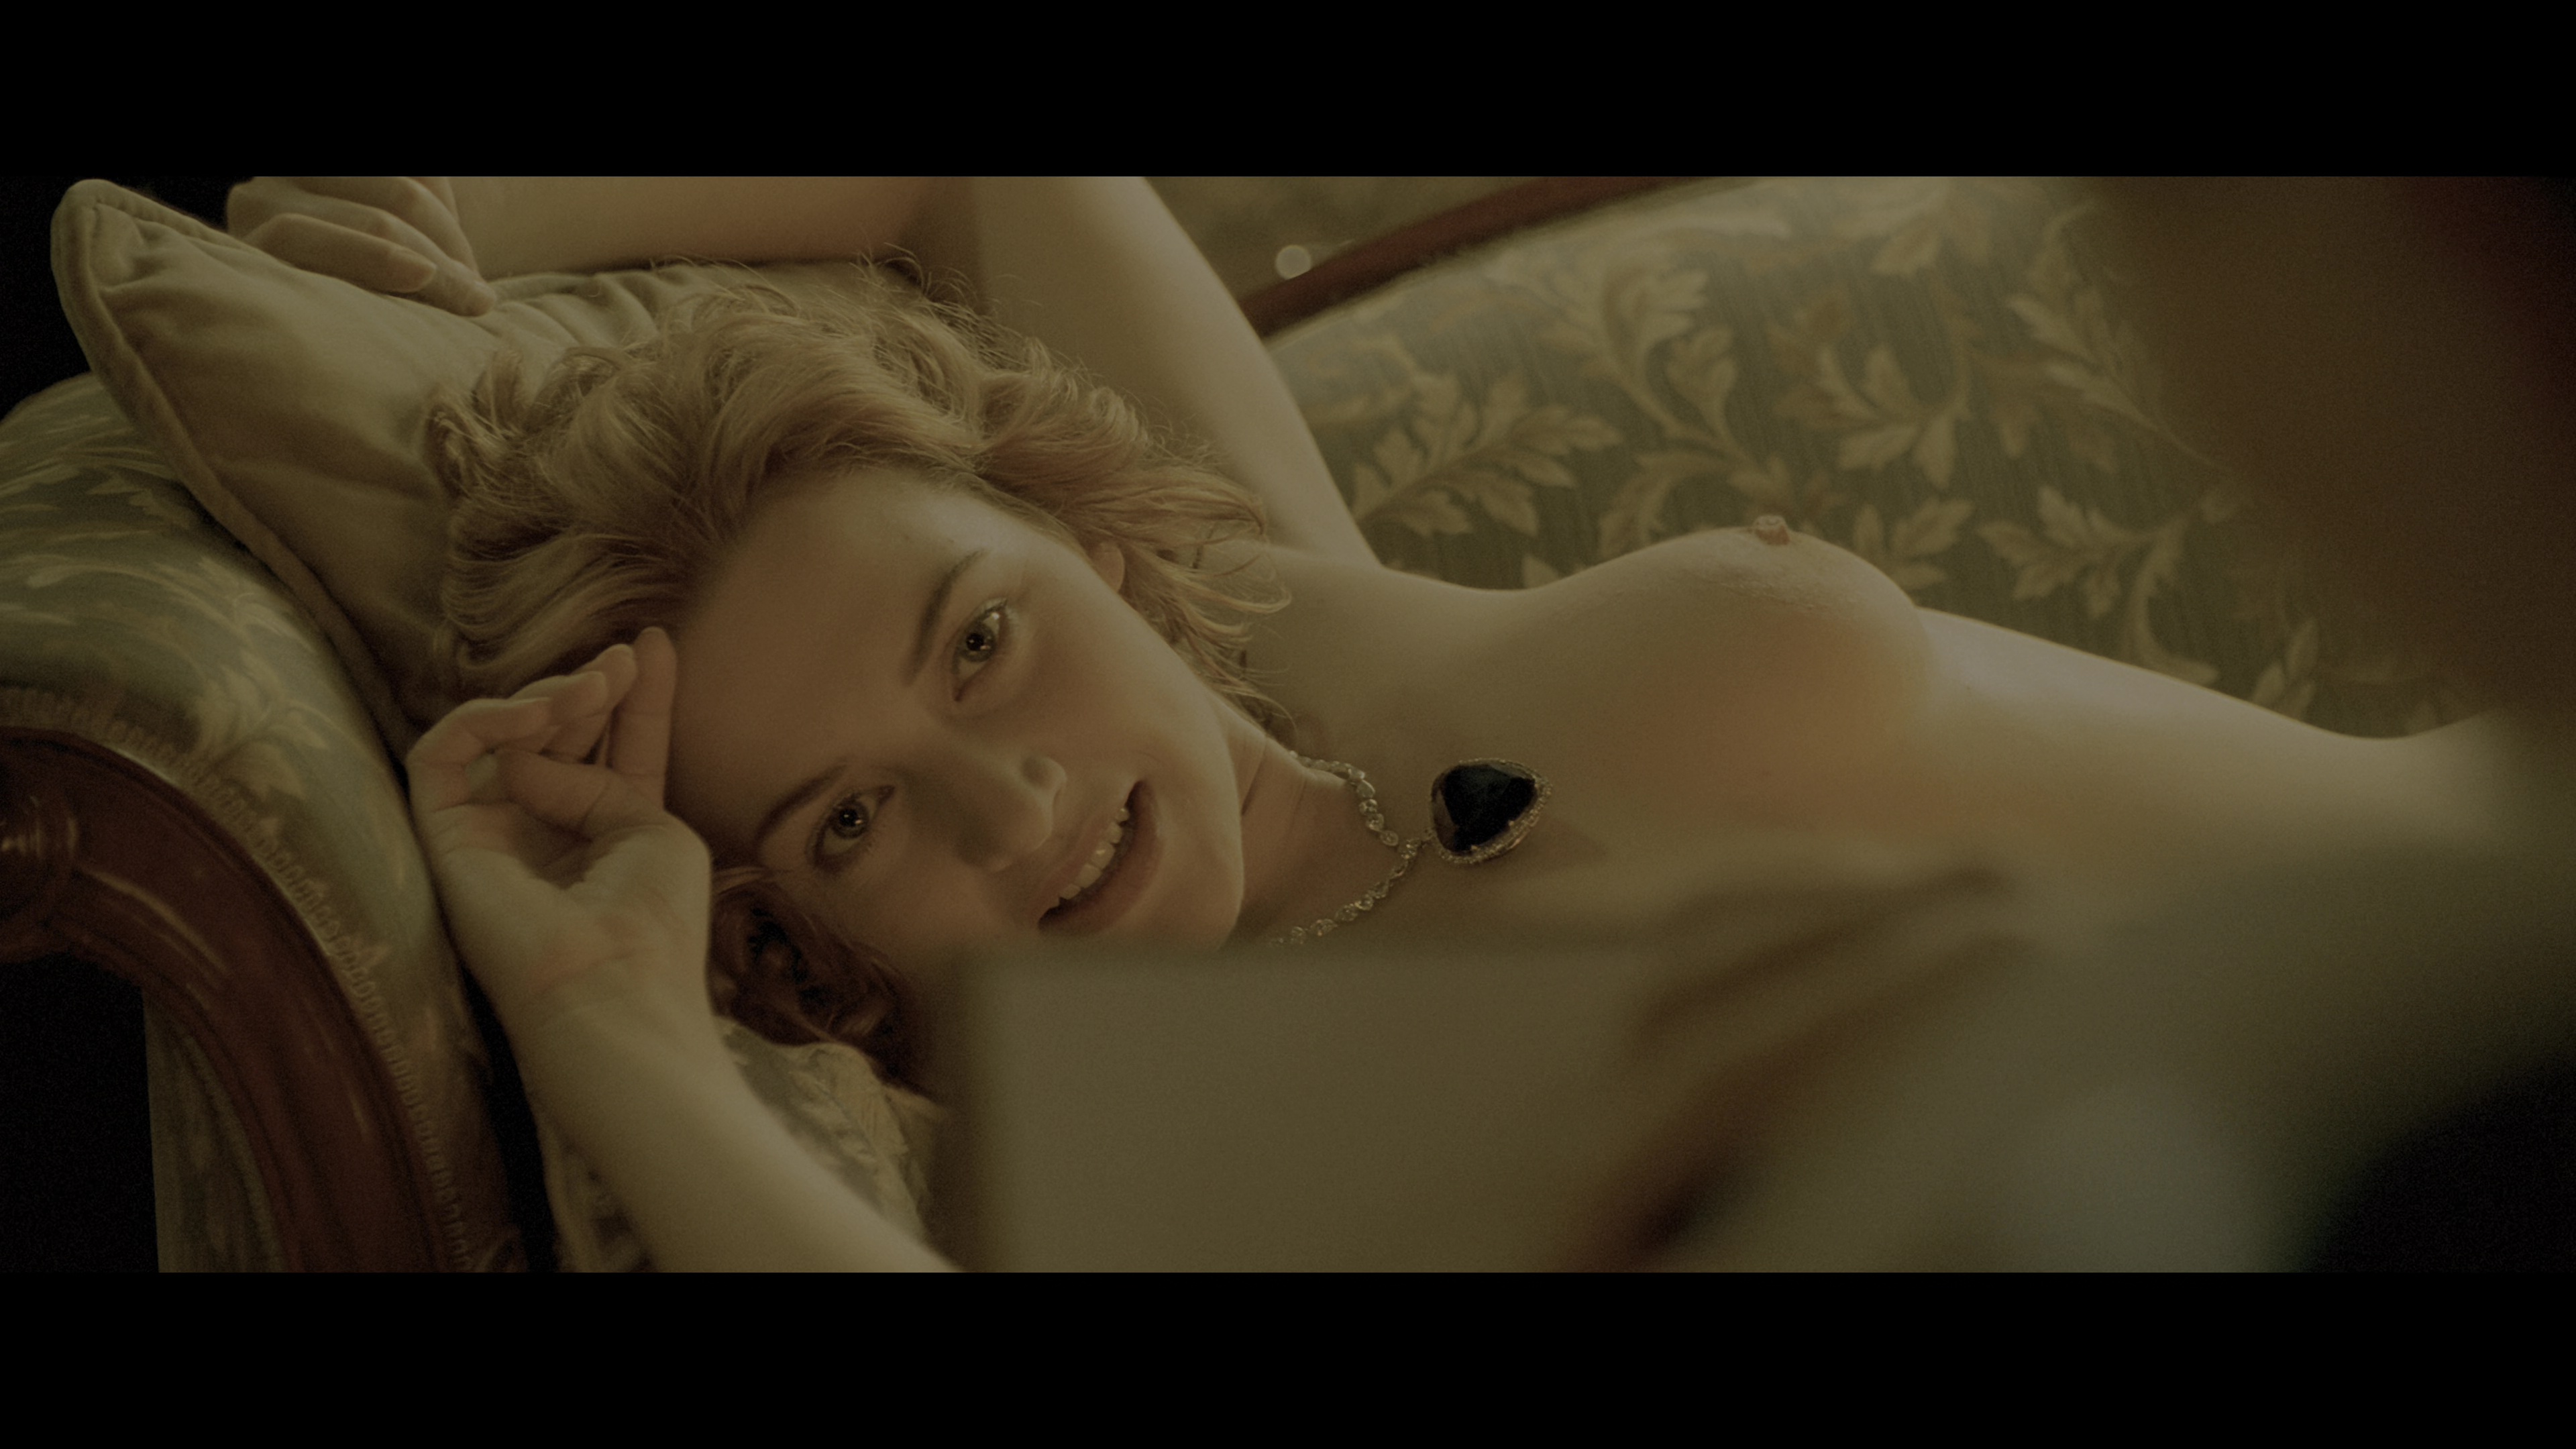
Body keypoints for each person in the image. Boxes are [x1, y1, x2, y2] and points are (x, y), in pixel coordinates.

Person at [227, 177, 2576, 1271]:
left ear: (1097, 550)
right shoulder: (1135, 1167)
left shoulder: (1289, 617)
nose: (1012, 799)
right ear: (804, 950)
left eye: (982, 642)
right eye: (854, 822)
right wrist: (608, 1019)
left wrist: (422, 210)